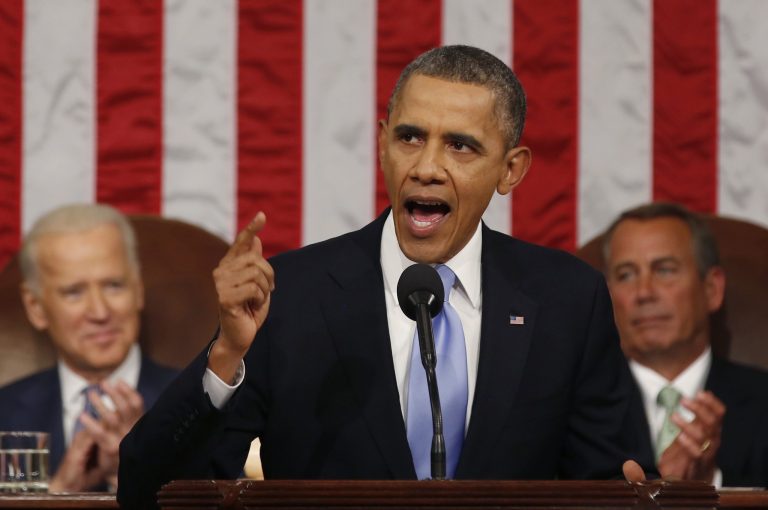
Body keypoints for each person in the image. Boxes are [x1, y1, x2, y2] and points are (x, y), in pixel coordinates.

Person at [118, 45, 651, 508]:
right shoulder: (293, 296)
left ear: (511, 169)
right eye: (410, 138)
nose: (426, 167)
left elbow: (608, 484)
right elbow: (149, 492)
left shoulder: (566, 301)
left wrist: (633, 493)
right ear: (382, 144)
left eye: (460, 146)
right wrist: (225, 358)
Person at [0, 204, 177, 492]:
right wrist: (57, 495)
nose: (99, 312)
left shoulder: (200, 406)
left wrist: (145, 478)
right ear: (36, 307)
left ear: (138, 289)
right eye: (74, 292)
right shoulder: (4, 413)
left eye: (114, 285)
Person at [603, 202, 768, 487]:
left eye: (665, 270)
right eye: (626, 275)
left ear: (711, 289)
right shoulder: (576, 409)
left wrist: (708, 485)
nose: (644, 293)